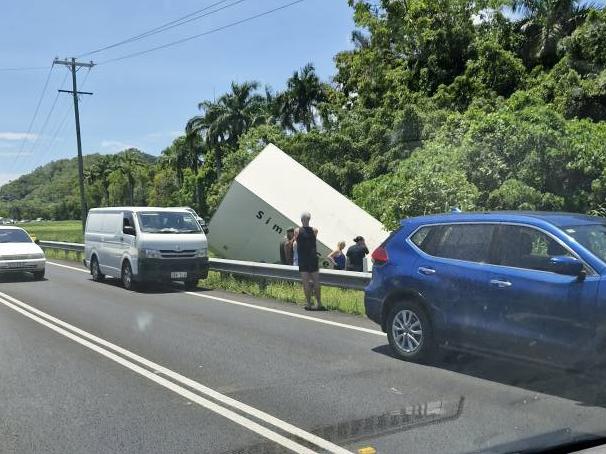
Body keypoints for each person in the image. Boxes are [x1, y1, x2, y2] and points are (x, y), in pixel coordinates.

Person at [294, 212, 322, 310]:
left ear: (301, 220)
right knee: (316, 281)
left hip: (303, 259)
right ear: (309, 220)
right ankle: (319, 303)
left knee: (305, 282)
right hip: (313, 258)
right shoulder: (315, 230)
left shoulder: (297, 231)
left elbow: (295, 241)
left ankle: (309, 303)